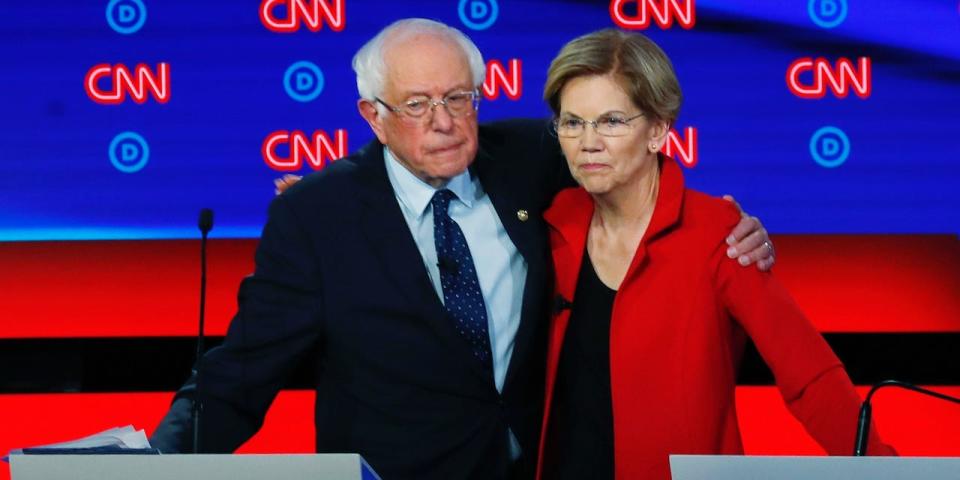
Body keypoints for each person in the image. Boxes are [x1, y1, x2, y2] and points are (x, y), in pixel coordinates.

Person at [150, 19, 774, 479]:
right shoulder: (318, 215)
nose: (443, 122)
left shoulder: (532, 156)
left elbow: (632, 170)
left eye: (458, 98)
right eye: (417, 105)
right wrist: (154, 463)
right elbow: (242, 371)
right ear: (374, 115)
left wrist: (727, 221)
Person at [534, 29, 895, 480]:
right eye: (572, 122)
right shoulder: (546, 223)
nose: (588, 142)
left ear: (658, 130)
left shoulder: (717, 234)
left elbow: (809, 375)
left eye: (611, 121)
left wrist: (882, 468)